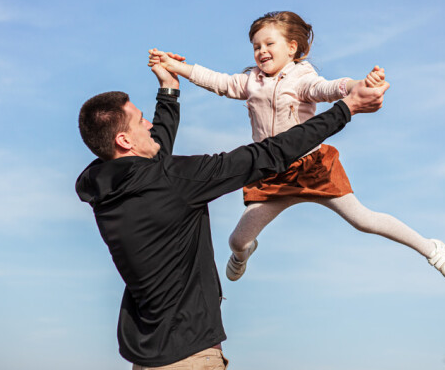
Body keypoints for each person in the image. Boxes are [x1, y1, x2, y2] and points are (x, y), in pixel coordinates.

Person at [75, 59, 390, 369]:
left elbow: (151, 155)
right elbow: (268, 154)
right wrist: (346, 109)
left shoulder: (103, 186)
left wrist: (169, 90)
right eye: (141, 120)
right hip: (190, 357)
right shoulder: (171, 181)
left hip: (146, 357)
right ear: (125, 140)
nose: (149, 126)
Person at [148, 10, 445, 284]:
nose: (261, 51)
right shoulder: (251, 81)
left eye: (269, 44)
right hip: (270, 172)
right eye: (256, 46)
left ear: (292, 47)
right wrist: (178, 68)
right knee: (237, 240)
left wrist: (358, 86)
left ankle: (432, 249)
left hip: (313, 169)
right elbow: (219, 82)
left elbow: (329, 88)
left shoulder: (302, 79)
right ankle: (243, 255)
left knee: (364, 220)